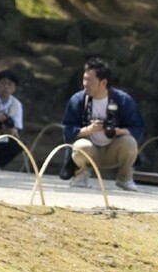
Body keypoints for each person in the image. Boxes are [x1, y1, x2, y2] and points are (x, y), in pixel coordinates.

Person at [61, 58, 145, 191]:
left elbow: (137, 129)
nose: (85, 84)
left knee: (129, 142)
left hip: (113, 150)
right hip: (90, 151)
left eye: (90, 81)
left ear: (103, 82)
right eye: (84, 79)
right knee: (81, 145)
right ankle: (81, 174)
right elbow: (67, 130)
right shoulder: (78, 100)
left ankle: (125, 178)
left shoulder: (123, 100)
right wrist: (89, 129)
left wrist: (117, 131)